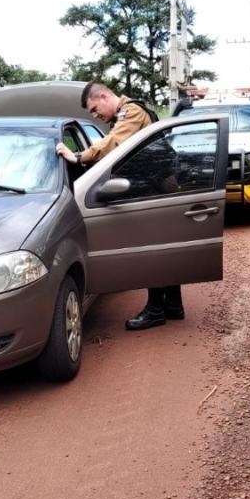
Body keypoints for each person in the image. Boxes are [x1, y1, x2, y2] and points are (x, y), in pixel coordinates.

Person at [55, 81, 184, 331]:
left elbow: (114, 143)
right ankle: (173, 306)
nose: (95, 115)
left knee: (151, 251)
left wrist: (79, 156)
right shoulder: (127, 113)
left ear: (104, 96)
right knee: (163, 248)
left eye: (94, 109)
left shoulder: (131, 112)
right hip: (160, 187)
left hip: (154, 190)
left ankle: (157, 310)